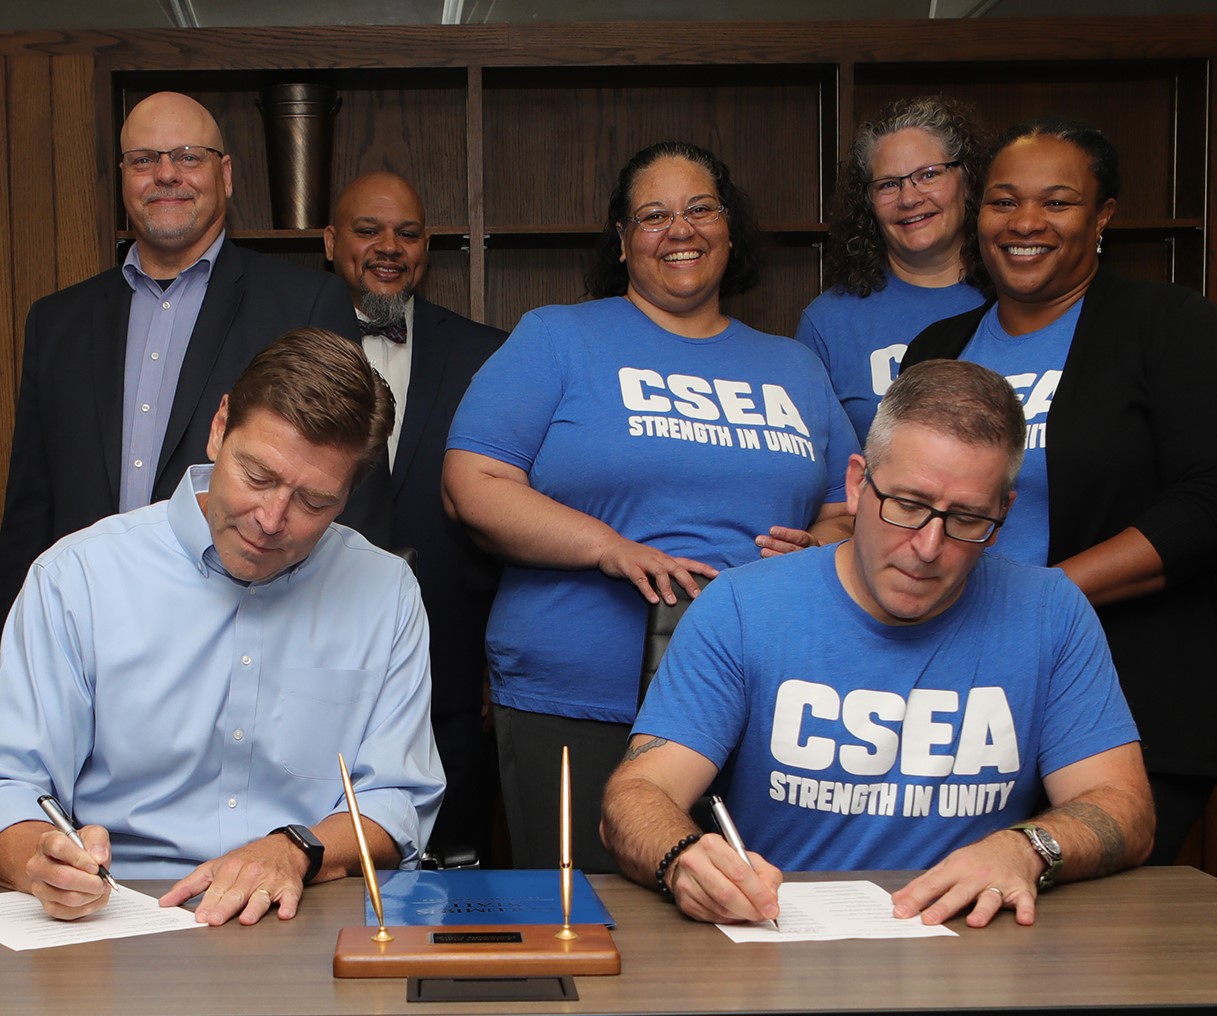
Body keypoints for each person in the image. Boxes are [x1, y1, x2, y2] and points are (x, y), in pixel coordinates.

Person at [603, 360, 1154, 929]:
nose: (928, 547)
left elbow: (1125, 808)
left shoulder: (1052, 611)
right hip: (780, 947)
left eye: (966, 518)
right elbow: (638, 792)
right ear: (857, 483)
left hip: (977, 949)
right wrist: (681, 859)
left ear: (1005, 512)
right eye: (908, 506)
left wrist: (1026, 848)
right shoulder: (742, 608)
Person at [444, 141, 858, 872]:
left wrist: (816, 553)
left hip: (763, 696)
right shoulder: (558, 337)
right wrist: (609, 547)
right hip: (576, 696)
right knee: (588, 925)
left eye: (701, 209)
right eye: (654, 215)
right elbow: (471, 484)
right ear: (624, 239)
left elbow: (846, 509)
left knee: (746, 915)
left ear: (730, 228)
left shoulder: (794, 365)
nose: (681, 229)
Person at [0, 328, 443, 925]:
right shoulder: (78, 576)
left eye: (313, 503)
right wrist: (44, 861)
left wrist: (293, 850)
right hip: (116, 917)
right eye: (258, 476)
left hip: (306, 914)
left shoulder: (384, 592)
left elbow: (395, 799)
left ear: (346, 499)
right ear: (219, 428)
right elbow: (0, 784)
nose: (270, 520)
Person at [903, 117, 1217, 864]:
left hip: (1132, 698)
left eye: (1058, 202)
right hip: (960, 712)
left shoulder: (1170, 326)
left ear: (1103, 216)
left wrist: (1044, 599)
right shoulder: (938, 348)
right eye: (1004, 201)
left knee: (1093, 954)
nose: (1026, 222)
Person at [0, 90, 364, 628]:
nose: (166, 174)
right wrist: (15, 643)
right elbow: (30, 511)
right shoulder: (56, 323)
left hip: (247, 624)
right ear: (122, 178)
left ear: (227, 175)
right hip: (86, 626)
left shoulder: (304, 304)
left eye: (189, 156)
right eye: (144, 159)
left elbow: (346, 489)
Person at [323, 170, 508, 860]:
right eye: (368, 230)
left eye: (407, 232)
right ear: (331, 240)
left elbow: (510, 517)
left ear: (428, 245)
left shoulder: (488, 354)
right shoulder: (288, 346)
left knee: (452, 869)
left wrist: (497, 657)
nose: (389, 246)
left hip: (452, 670)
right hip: (315, 658)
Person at [797, 96, 992, 439]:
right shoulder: (829, 322)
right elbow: (817, 470)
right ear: (867, 202)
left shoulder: (1018, 302)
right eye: (888, 184)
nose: (909, 198)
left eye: (928, 175)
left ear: (969, 179)